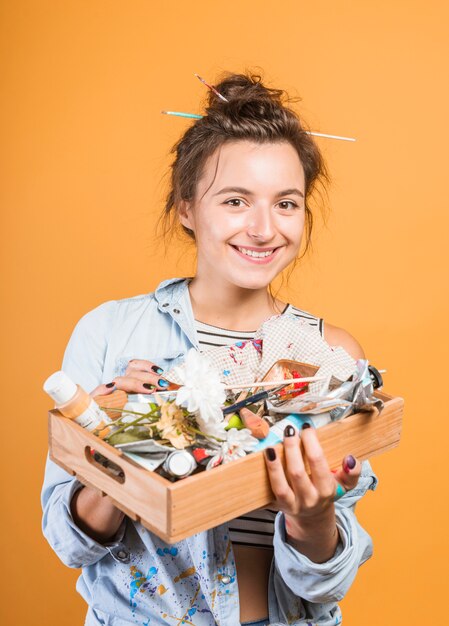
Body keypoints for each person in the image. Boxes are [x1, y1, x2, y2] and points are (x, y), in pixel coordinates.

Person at [42, 72, 378, 626]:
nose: (264, 228)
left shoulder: (327, 357)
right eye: (236, 200)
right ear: (186, 208)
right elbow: (70, 545)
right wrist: (116, 452)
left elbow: (326, 583)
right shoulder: (112, 333)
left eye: (287, 203)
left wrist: (314, 518)